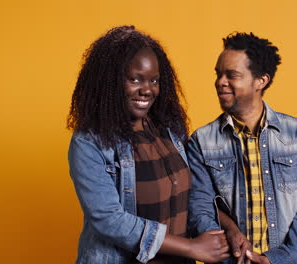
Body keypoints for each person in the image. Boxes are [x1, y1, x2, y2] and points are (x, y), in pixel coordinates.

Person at [67, 25, 229, 264]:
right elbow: (109, 219)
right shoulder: (89, 142)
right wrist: (193, 248)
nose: (147, 90)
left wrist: (223, 233)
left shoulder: (170, 130)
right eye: (135, 79)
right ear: (110, 82)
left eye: (154, 80)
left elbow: (191, 197)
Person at [186, 32, 297, 264]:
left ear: (260, 81)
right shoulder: (201, 141)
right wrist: (231, 247)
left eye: (231, 75)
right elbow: (199, 207)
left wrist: (277, 259)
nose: (220, 82)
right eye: (218, 74)